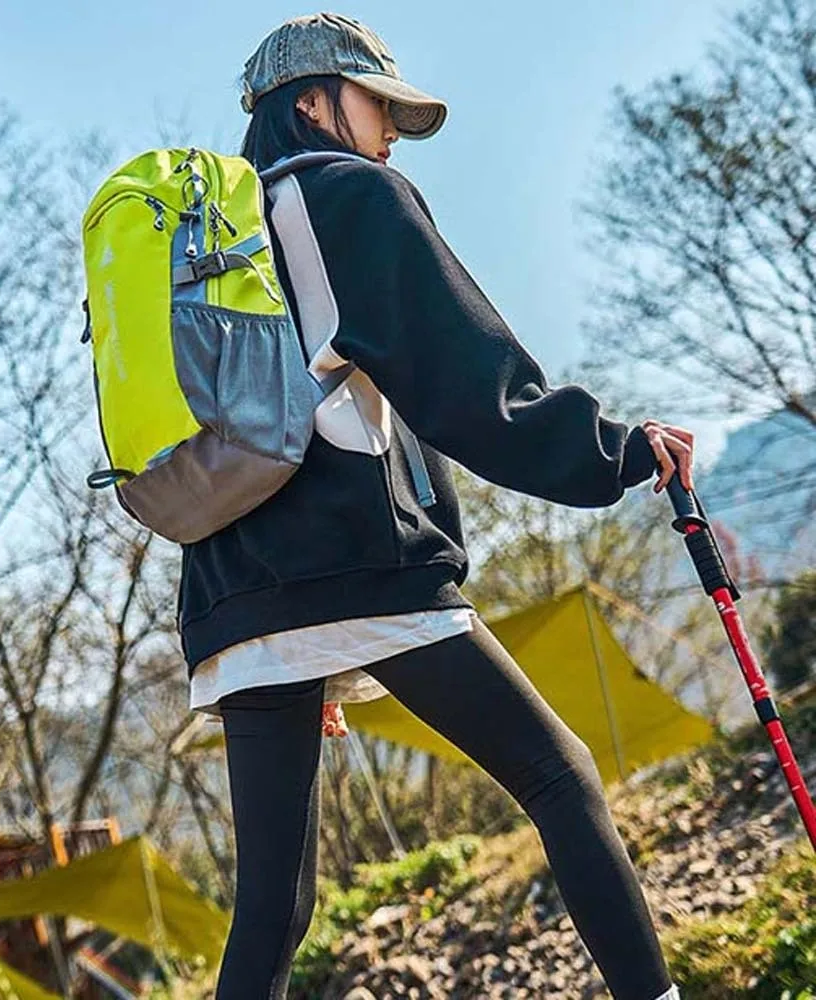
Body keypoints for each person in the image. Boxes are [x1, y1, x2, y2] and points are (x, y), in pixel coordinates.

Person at [178, 13, 691, 1000]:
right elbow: (470, 386)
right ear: (314, 100)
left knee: (274, 908)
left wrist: (294, 645)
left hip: (230, 597)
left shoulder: (213, 238)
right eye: (378, 106)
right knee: (559, 775)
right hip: (357, 571)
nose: (387, 135)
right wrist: (616, 450)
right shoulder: (347, 195)